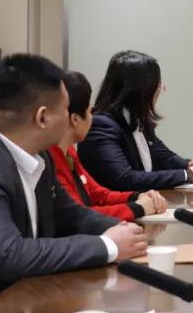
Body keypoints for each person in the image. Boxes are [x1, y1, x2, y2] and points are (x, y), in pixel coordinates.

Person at [0, 54, 148, 313]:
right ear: (42, 118)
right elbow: (9, 255)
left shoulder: (38, 154)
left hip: (22, 298)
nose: (70, 117)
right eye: (66, 109)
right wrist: (107, 246)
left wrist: (123, 231)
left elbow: (69, 214)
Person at [78, 51, 193, 191]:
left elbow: (164, 158)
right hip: (117, 204)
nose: (160, 91)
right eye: (158, 86)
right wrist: (187, 175)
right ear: (142, 89)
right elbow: (125, 179)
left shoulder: (137, 119)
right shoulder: (101, 125)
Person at [51, 71, 168, 222]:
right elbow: (79, 216)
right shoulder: (51, 160)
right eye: (89, 111)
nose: (92, 117)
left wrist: (137, 196)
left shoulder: (69, 152)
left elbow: (98, 194)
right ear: (75, 119)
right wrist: (138, 208)